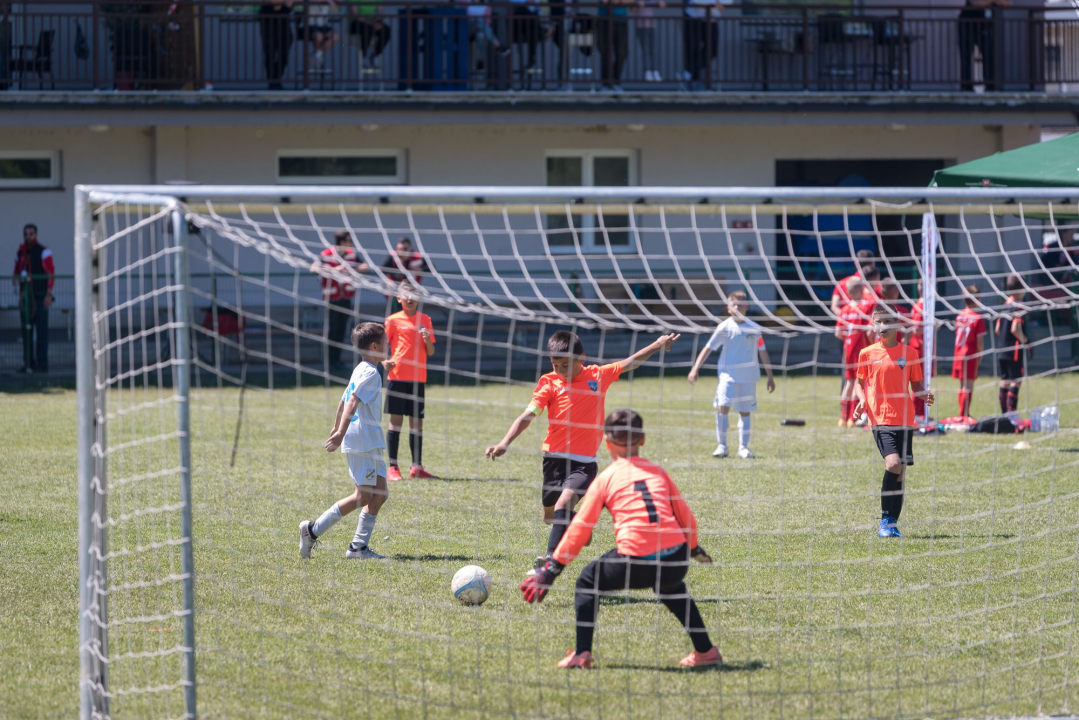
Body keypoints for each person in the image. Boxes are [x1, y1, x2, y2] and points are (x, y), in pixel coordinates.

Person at [519, 408, 722, 669]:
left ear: (606, 441)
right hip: (676, 558)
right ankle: (706, 652)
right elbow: (686, 518)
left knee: (586, 582)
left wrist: (553, 568)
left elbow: (580, 528)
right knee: (671, 588)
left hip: (635, 560)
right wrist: (694, 549)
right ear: (643, 439)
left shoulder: (605, 479)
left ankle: (582, 654)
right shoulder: (658, 473)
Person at [484, 329, 680, 571]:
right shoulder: (548, 383)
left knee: (562, 505)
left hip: (583, 464)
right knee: (550, 516)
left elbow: (631, 363)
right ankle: (579, 526)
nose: (560, 370)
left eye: (566, 365)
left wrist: (658, 344)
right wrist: (505, 441)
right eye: (555, 365)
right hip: (553, 462)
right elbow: (529, 415)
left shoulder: (597, 375)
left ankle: (548, 563)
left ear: (581, 359)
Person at [299, 322, 391, 560]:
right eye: (385, 342)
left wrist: (336, 424)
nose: (387, 346)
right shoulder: (370, 373)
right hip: (364, 441)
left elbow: (343, 400)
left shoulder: (363, 367)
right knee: (362, 496)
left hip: (369, 441)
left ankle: (358, 548)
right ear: (374, 345)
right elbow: (351, 402)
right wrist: (339, 432)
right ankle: (312, 530)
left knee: (380, 493)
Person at [853, 305, 935, 538]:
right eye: (877, 321)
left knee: (900, 473)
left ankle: (892, 524)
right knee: (892, 464)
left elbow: (916, 386)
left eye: (886, 321)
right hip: (880, 417)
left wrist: (923, 394)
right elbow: (859, 383)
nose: (881, 326)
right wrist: (861, 401)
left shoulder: (909, 354)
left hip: (905, 420)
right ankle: (885, 520)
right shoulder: (867, 353)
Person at [686, 291, 776, 459]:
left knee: (744, 412)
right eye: (733, 305)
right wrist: (695, 368)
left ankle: (743, 447)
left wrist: (770, 376)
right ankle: (722, 446)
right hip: (727, 376)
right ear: (728, 308)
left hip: (748, 377)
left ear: (747, 307)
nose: (737, 308)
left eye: (740, 305)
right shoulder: (724, 327)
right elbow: (708, 348)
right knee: (722, 408)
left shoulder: (754, 328)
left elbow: (763, 352)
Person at [384, 282, 437, 482]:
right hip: (397, 377)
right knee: (395, 423)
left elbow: (430, 351)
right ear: (399, 298)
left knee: (417, 424)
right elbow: (382, 346)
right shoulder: (392, 320)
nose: (409, 298)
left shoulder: (426, 320)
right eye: (405, 295)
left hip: (418, 379)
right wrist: (384, 361)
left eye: (413, 294)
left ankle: (416, 467)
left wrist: (427, 340)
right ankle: (393, 467)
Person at [310, 230, 358, 368]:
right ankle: (329, 361)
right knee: (333, 330)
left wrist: (351, 268)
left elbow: (364, 266)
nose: (351, 243)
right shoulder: (326, 254)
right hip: (332, 299)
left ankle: (337, 360)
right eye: (349, 240)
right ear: (342, 242)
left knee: (342, 330)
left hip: (346, 298)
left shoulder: (351, 255)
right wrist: (335, 270)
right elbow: (313, 268)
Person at [13, 223, 55, 374]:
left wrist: (49, 294)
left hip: (40, 296)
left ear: (35, 235)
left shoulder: (44, 251)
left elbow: (51, 273)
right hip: (26, 299)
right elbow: (16, 272)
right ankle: (28, 364)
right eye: (26, 234)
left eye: (31, 234)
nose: (28, 237)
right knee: (26, 331)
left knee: (41, 332)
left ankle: (42, 365)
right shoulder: (21, 252)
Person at [836, 279, 871, 428]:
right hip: (861, 351)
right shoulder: (865, 307)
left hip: (848, 350)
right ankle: (853, 418)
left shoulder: (844, 310)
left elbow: (838, 333)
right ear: (861, 289)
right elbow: (869, 331)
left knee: (848, 383)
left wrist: (847, 339)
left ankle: (842, 418)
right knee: (859, 383)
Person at [958, 0, 1009, 91]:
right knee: (966, 57)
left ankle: (990, 85)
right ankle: (967, 86)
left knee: (989, 55)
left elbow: (1008, 3)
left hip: (985, 26)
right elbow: (976, 3)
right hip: (967, 24)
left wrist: (987, 2)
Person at [995, 274, 1029, 413]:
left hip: (1002, 348)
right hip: (1014, 350)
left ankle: (1004, 414)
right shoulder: (1019, 306)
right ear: (1021, 288)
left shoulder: (1005, 305)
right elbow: (1015, 329)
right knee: (1016, 381)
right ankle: (1012, 414)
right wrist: (1027, 342)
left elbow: (998, 329)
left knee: (1005, 380)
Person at [952, 285, 987, 418]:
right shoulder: (977, 318)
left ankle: (962, 413)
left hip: (958, 353)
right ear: (976, 300)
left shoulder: (959, 316)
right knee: (969, 385)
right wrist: (980, 355)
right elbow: (980, 341)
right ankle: (964, 415)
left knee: (962, 385)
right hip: (970, 353)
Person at [682, 0, 725, 89]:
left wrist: (717, 4)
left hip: (711, 19)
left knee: (712, 51)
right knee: (693, 49)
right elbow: (698, 3)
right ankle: (694, 80)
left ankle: (689, 71)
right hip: (693, 17)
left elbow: (721, 8)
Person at [830, 249, 876, 318]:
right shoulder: (876, 285)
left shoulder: (842, 283)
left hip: (847, 327)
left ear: (855, 264)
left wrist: (848, 319)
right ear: (872, 264)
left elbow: (834, 307)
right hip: (869, 326)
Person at [259, 1, 295, 90]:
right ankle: (272, 81)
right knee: (270, 52)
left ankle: (277, 79)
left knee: (284, 53)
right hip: (268, 20)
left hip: (284, 21)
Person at [597, 0, 631, 91]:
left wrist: (618, 2)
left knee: (622, 52)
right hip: (604, 19)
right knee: (605, 52)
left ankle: (616, 82)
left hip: (620, 20)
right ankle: (606, 83)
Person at [347, 0, 390, 71]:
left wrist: (376, 20)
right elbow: (355, 13)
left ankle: (375, 55)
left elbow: (380, 11)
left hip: (372, 23)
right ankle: (364, 56)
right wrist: (369, 22)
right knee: (367, 28)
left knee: (386, 30)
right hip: (356, 24)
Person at [299, 0, 340, 70]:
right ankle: (317, 57)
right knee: (319, 37)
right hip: (308, 25)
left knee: (335, 37)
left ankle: (317, 54)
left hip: (323, 25)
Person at [635, 0, 665, 82]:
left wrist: (660, 3)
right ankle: (647, 71)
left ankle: (655, 70)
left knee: (653, 49)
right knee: (646, 50)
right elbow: (632, 8)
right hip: (641, 25)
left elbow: (661, 3)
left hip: (651, 25)